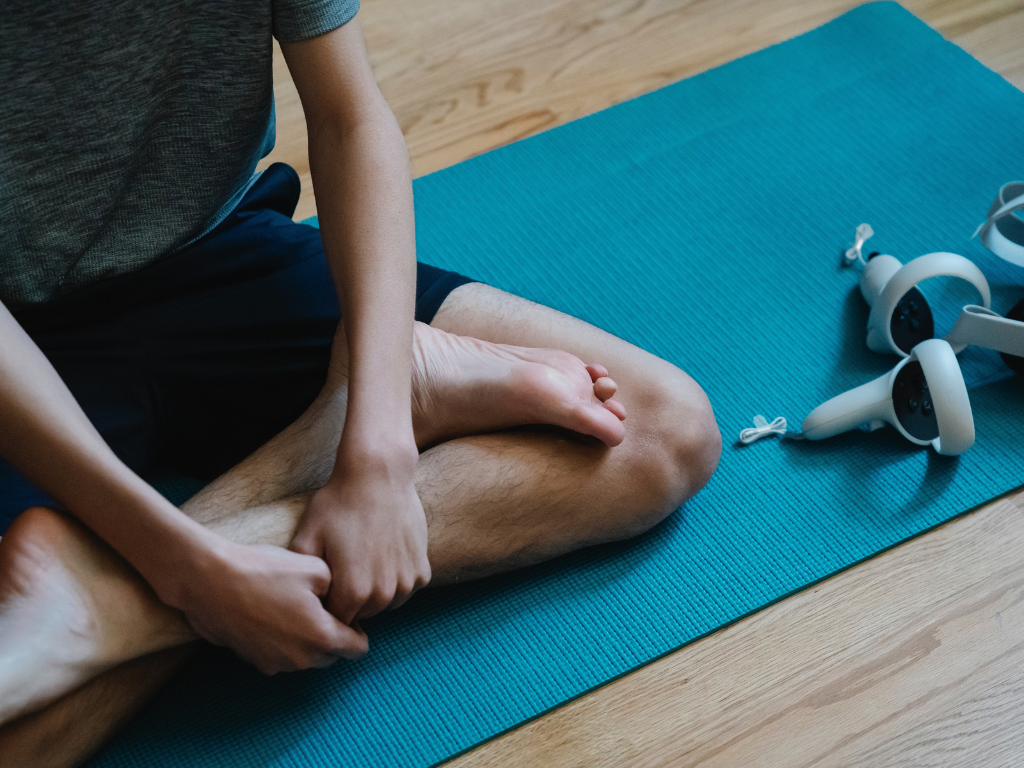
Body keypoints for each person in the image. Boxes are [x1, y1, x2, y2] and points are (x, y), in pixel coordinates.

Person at [0, 0, 721, 763]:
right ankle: (376, 401)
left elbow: (352, 120)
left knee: (657, 428)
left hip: (224, 257)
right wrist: (180, 567)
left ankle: (101, 605)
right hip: (22, 337)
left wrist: (378, 452)